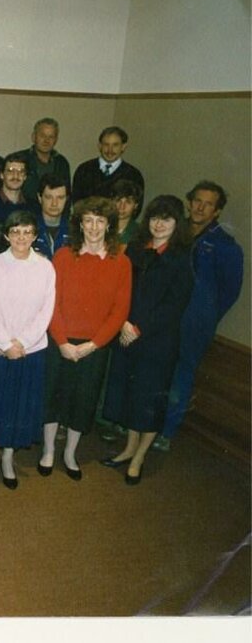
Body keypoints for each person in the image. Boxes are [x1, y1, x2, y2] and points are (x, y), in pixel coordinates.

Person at [102, 196, 193, 485]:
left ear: (177, 224)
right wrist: (124, 322)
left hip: (157, 343)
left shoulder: (181, 259)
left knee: (149, 402)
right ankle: (129, 447)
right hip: (127, 335)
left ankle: (139, 457)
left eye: (166, 219)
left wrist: (138, 328)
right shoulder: (136, 252)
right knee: (130, 394)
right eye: (155, 217)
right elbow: (121, 290)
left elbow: (173, 306)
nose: (159, 224)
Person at [0, 210, 56, 490]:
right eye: (15, 232)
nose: (21, 237)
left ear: (35, 235)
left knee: (17, 407)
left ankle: (7, 459)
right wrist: (5, 343)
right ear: (6, 235)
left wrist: (22, 343)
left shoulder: (45, 267)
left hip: (29, 350)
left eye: (27, 232)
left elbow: (45, 311)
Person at [41, 197, 131, 480]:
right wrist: (63, 342)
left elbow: (120, 310)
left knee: (84, 400)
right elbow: (50, 302)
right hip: (61, 342)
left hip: (95, 346)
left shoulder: (121, 262)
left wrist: (94, 344)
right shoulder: (64, 256)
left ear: (109, 226)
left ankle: (70, 453)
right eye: (88, 221)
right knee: (53, 396)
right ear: (80, 224)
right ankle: (48, 451)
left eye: (100, 221)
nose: (94, 227)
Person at [161, 181, 243, 451]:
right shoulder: (172, 230)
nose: (200, 207)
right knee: (157, 368)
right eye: (197, 200)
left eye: (208, 204)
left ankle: (166, 432)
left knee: (181, 375)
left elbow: (229, 291)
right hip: (165, 316)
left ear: (217, 211)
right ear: (189, 201)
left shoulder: (225, 245)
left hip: (195, 323)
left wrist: (204, 315)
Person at [72, 126, 144, 205]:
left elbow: (135, 207)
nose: (110, 150)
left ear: (123, 147)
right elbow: (76, 202)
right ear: (99, 146)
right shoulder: (84, 170)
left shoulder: (133, 175)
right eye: (106, 144)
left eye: (115, 145)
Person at [11, 117, 70, 201]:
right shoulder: (19, 159)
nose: (46, 140)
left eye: (51, 137)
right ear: (33, 137)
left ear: (56, 140)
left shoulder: (62, 163)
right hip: (23, 211)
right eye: (42, 136)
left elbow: (66, 196)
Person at [31, 172, 72, 260]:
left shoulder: (75, 231)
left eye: (60, 198)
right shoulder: (28, 229)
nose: (54, 203)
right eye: (49, 197)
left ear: (67, 199)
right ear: (39, 198)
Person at [0, 154, 38, 222]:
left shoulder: (34, 207)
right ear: (1, 175)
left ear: (25, 176)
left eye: (21, 171)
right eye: (10, 171)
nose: (15, 175)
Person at [111, 179, 143, 246]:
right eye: (118, 200)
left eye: (128, 202)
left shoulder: (140, 232)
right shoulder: (101, 227)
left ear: (136, 205)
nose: (122, 206)